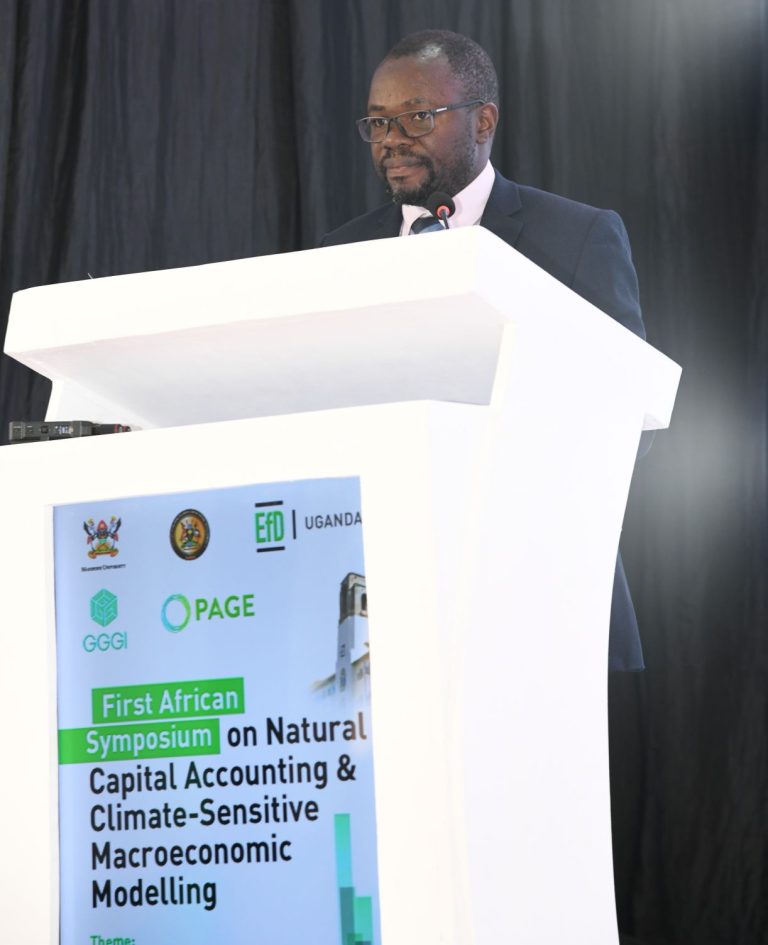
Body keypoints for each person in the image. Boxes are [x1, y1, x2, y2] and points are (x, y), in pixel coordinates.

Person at [321, 30, 646, 671]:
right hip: (390, 595)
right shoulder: (340, 253)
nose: (392, 139)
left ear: (483, 121)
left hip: (541, 588)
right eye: (379, 123)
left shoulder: (577, 237)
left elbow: (628, 412)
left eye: (417, 116)